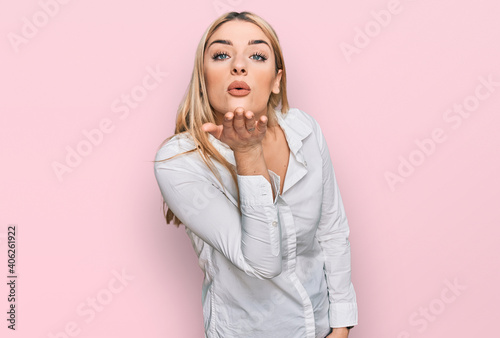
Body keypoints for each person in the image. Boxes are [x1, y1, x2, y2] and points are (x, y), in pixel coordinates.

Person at [153, 11, 358, 338]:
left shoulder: (305, 130)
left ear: (276, 81)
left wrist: (341, 325)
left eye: (257, 55)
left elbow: (331, 231)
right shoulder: (179, 160)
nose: (238, 65)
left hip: (320, 326)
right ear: (203, 78)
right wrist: (247, 153)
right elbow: (263, 264)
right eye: (221, 54)